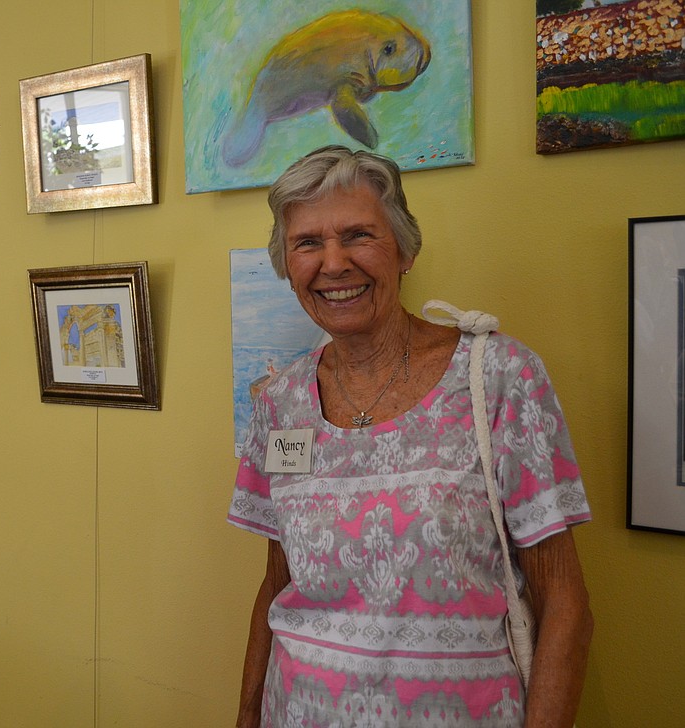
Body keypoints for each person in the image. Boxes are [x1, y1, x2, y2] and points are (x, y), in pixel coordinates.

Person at [228, 146, 593, 727]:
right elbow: (279, 582)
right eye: (307, 243)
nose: (334, 263)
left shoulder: (499, 376)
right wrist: (247, 716)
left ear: (406, 249)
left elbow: (564, 601)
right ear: (286, 264)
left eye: (358, 236)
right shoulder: (279, 402)